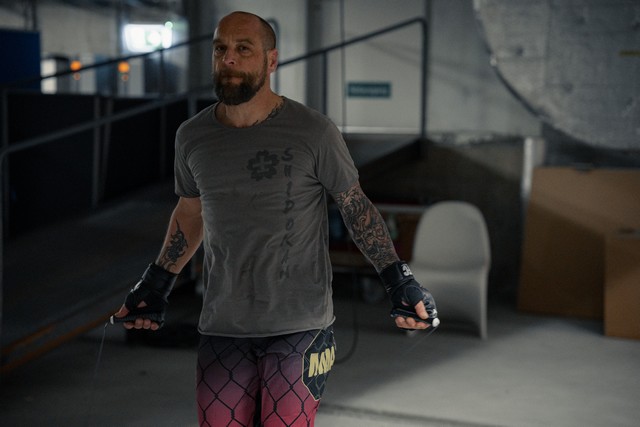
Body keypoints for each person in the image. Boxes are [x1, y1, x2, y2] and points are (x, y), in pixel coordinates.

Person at [113, 10, 438, 427]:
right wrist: (157, 282)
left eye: (243, 49)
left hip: (299, 324)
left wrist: (398, 279)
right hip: (223, 322)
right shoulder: (192, 137)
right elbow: (191, 212)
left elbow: (355, 206)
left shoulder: (313, 131)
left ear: (271, 61)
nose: (228, 59)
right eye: (220, 49)